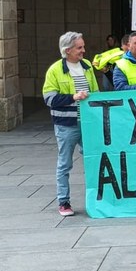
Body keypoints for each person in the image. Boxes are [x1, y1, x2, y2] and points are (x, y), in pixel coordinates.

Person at [42, 31, 98, 217]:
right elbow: (49, 98)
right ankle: (63, 201)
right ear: (67, 50)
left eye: (83, 46)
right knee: (65, 163)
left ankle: (97, 198)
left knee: (93, 160)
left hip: (88, 123)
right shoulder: (55, 70)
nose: (83, 50)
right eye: (79, 47)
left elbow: (95, 92)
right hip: (66, 124)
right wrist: (73, 97)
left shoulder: (87, 66)